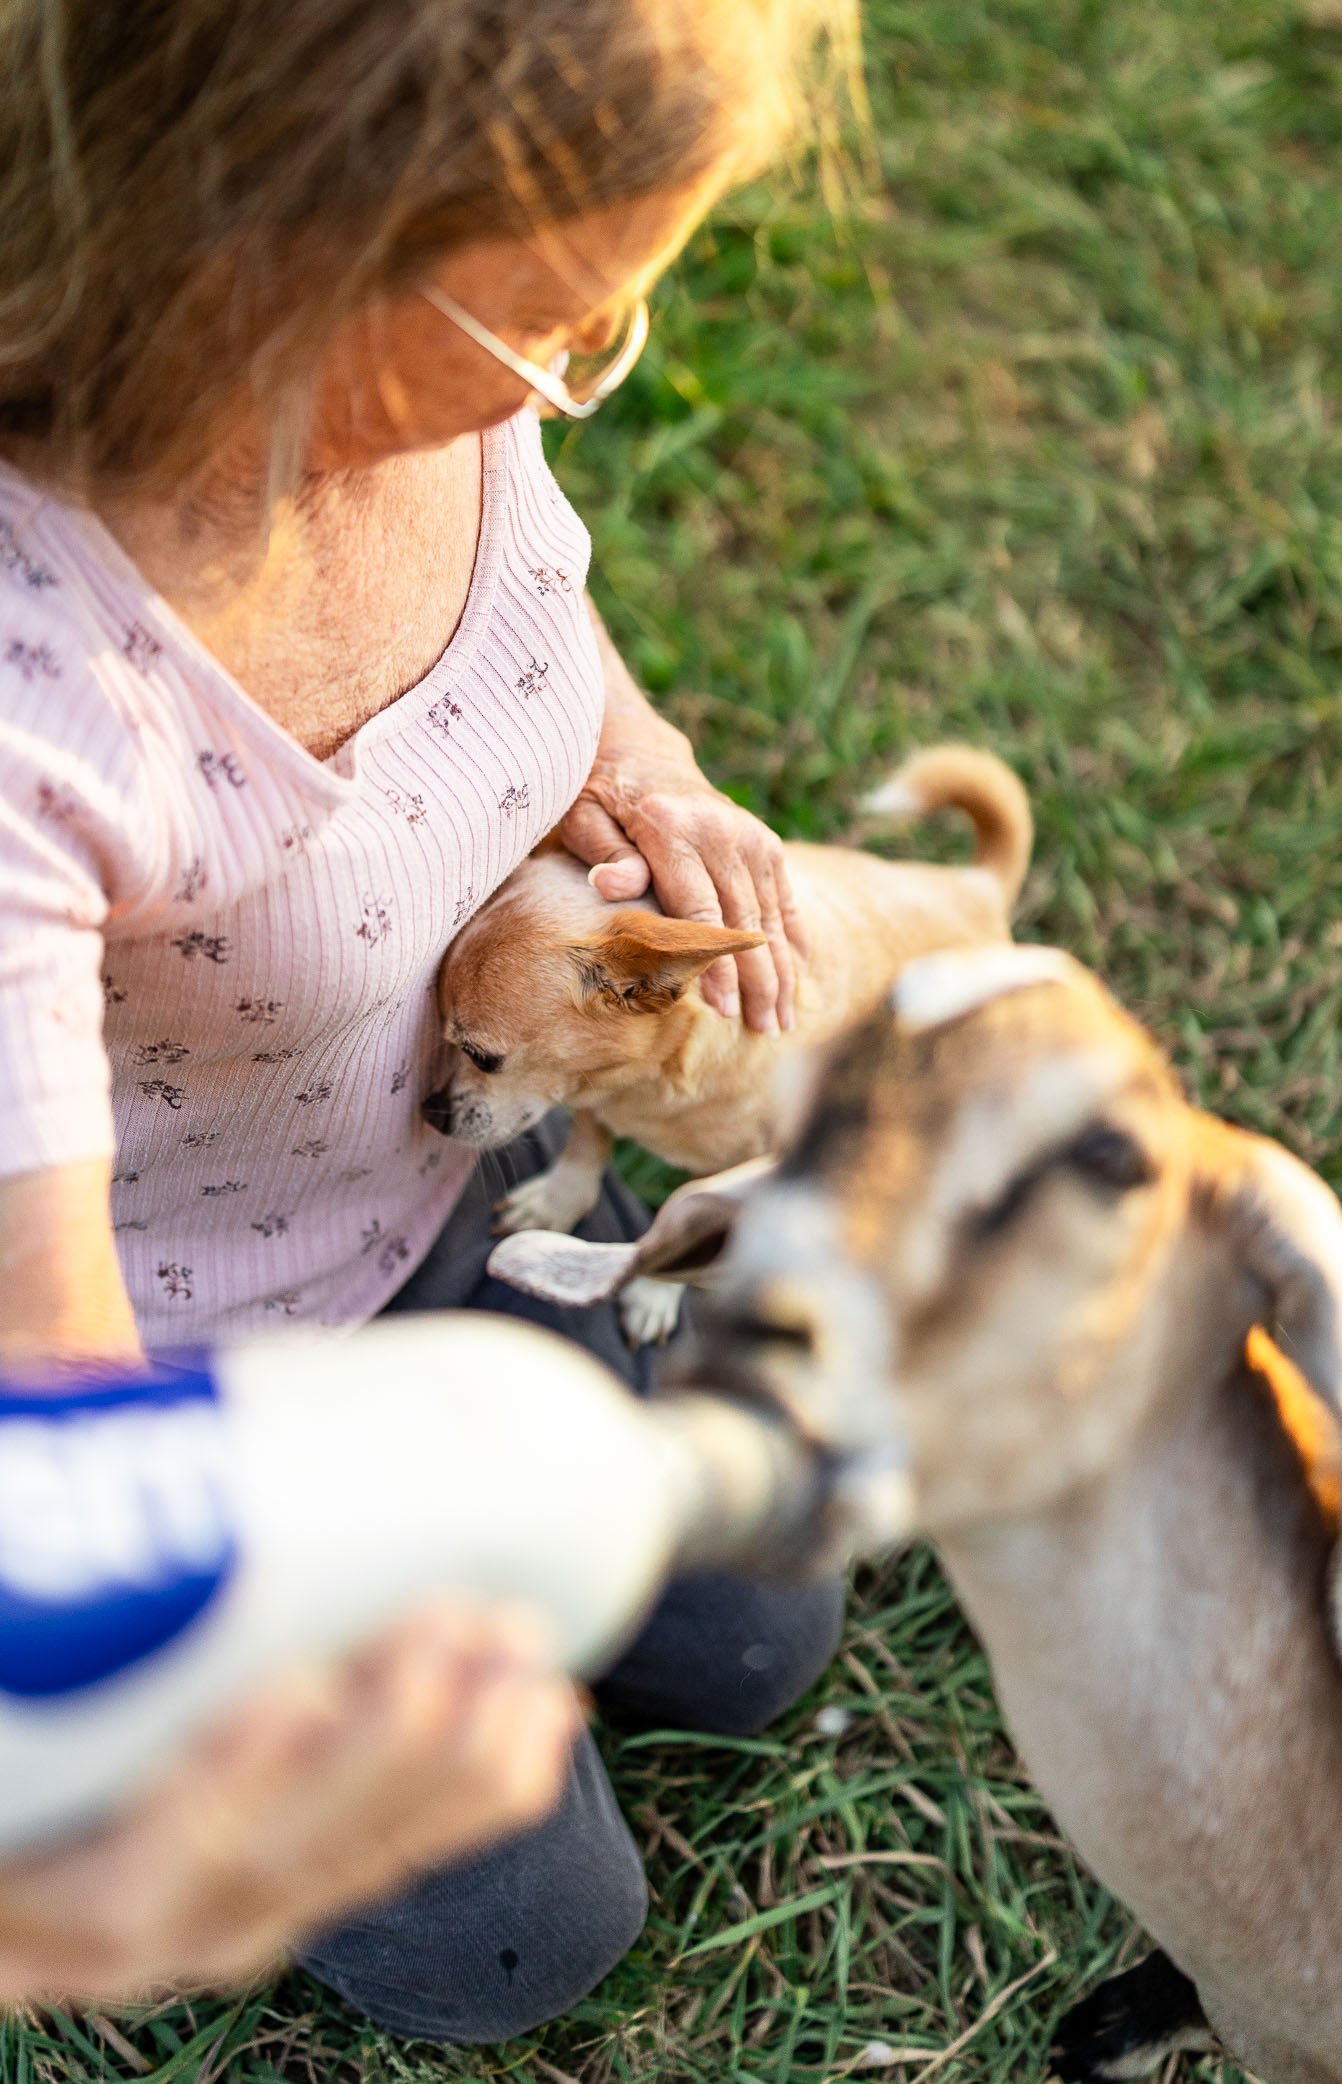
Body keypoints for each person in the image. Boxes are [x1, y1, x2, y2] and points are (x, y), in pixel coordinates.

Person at [0, 0, 854, 2038]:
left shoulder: (425, 396)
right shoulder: (37, 706)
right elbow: (57, 1417)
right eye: (547, 322)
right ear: (275, 244)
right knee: (523, 1938)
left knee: (762, 1628)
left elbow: (529, 604)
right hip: (196, 1362)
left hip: (444, 1188)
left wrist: (643, 769)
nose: (579, 368)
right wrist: (211, 1687)